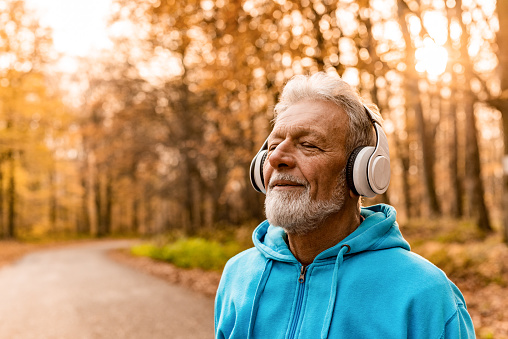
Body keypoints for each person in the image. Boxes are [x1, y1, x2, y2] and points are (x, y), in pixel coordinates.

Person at [214, 72, 475, 338]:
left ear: (361, 172)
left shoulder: (425, 294)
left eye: (308, 145)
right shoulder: (238, 275)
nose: (277, 158)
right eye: (273, 145)